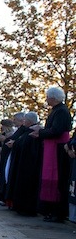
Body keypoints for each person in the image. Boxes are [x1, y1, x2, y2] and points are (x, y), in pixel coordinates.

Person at [29, 86, 72, 222]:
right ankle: (50, 210)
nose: (46, 99)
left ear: (53, 98)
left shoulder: (62, 111)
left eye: (47, 97)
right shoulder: (57, 110)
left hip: (58, 149)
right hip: (53, 147)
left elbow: (57, 130)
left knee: (58, 179)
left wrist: (40, 133)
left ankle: (57, 212)